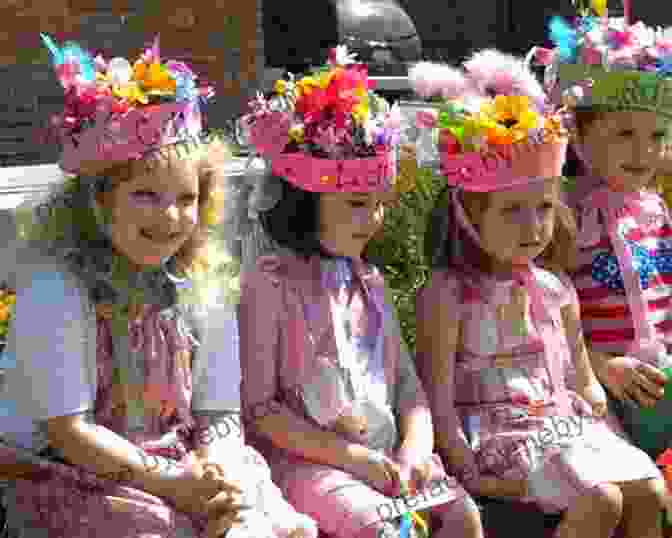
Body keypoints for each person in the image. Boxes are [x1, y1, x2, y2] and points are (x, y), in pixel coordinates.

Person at [0, 35, 316, 538]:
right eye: (145, 195)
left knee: (254, 519)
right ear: (98, 202)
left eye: (186, 198)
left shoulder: (200, 285)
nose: (170, 217)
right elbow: (69, 431)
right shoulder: (58, 288)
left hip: (176, 468)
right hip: (69, 472)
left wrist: (215, 466)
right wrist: (176, 485)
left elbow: (219, 410)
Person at [412, 48, 667, 538]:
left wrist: (595, 403)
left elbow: (583, 380)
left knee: (650, 492)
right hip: (495, 439)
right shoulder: (450, 292)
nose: (533, 227)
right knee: (601, 497)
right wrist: (459, 461)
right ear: (468, 214)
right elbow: (435, 394)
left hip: (564, 429)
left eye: (543, 209)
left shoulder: (556, 288)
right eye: (512, 211)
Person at [236, 45, 484, 538]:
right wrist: (352, 458)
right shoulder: (270, 284)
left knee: (460, 515)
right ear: (305, 203)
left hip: (388, 457)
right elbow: (260, 410)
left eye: (379, 204)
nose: (373, 220)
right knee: (385, 527)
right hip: (309, 463)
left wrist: (414, 448)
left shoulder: (368, 283)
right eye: (355, 204)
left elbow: (409, 389)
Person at [530, 6, 672, 459]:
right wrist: (600, 366)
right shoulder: (564, 215)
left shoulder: (655, 211)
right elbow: (544, 321)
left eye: (656, 136)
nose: (644, 151)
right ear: (580, 134)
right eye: (626, 133)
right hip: (599, 390)